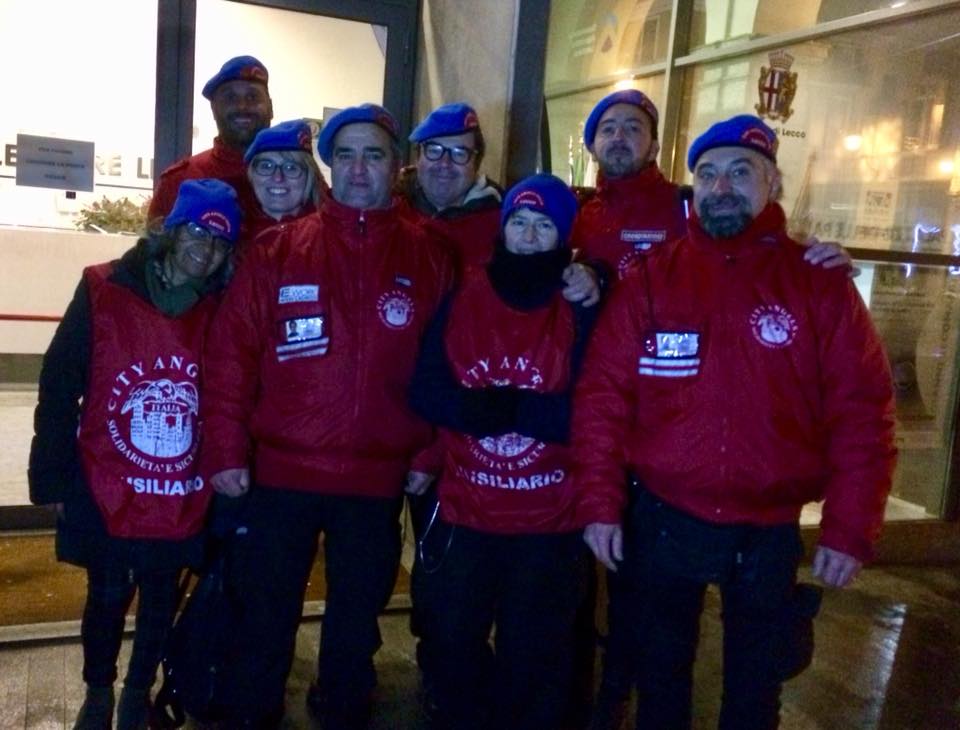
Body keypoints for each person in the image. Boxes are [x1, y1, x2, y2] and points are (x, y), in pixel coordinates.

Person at [572, 114, 897, 730]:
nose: (720, 187)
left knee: (755, 689)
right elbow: (602, 399)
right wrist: (599, 505)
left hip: (768, 530)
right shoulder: (650, 279)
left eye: (740, 172)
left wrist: (849, 527)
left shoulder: (818, 284)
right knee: (660, 681)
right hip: (665, 518)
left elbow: (864, 414)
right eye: (707, 174)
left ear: (772, 183)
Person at [200, 103, 454, 729]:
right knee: (266, 608)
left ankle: (343, 703)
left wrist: (430, 450)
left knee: (357, 612)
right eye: (345, 155)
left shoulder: (429, 254)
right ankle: (253, 709)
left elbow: (451, 363)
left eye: (373, 155)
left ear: (396, 166)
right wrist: (225, 450)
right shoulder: (278, 250)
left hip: (377, 479)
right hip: (281, 475)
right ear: (330, 167)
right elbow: (232, 357)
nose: (359, 169)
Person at [398, 102, 600, 719]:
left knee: (533, 655)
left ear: (564, 238)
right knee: (453, 639)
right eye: (520, 222)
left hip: (549, 519)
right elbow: (427, 388)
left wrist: (512, 410)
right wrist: (489, 412)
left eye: (544, 226)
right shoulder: (466, 294)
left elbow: (596, 407)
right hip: (469, 510)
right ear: (503, 228)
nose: (529, 235)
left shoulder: (583, 305)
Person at [28, 179, 241, 730]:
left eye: (220, 242)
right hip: (105, 478)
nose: (206, 250)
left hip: (181, 488)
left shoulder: (222, 308)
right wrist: (53, 475)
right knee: (106, 593)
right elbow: (59, 382)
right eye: (197, 232)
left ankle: (136, 694)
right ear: (171, 231)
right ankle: (98, 690)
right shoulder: (103, 288)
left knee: (160, 597)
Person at [148, 55, 273, 232]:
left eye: (253, 96)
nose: (242, 106)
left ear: (271, 107)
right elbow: (155, 247)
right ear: (213, 109)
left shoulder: (297, 181)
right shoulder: (179, 180)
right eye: (230, 98)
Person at [243, 118, 328, 243]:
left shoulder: (328, 235)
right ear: (252, 174)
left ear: (309, 175)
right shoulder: (232, 233)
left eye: (291, 167)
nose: (278, 177)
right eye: (266, 166)